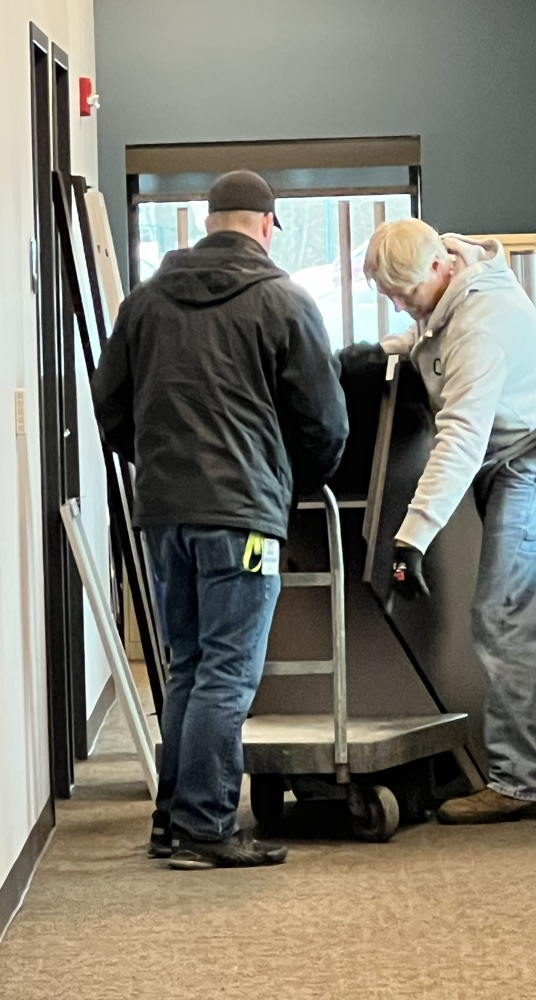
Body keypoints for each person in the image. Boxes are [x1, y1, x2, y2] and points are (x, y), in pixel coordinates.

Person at [92, 170, 349, 868]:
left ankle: (173, 821)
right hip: (243, 515)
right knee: (228, 674)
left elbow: (111, 411)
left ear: (208, 222)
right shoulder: (283, 302)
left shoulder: (142, 304)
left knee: (187, 667)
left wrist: (159, 467)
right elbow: (326, 424)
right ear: (267, 225)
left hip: (165, 514)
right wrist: (289, 482)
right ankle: (206, 828)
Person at [352, 218, 536, 824]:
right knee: (534, 607)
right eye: (390, 297)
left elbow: (459, 439)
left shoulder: (483, 320)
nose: (402, 304)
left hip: (530, 458)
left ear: (436, 269)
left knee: (502, 612)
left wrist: (411, 538)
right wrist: (387, 348)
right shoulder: (450, 279)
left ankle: (518, 782)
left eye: (404, 294)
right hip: (520, 452)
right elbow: (432, 337)